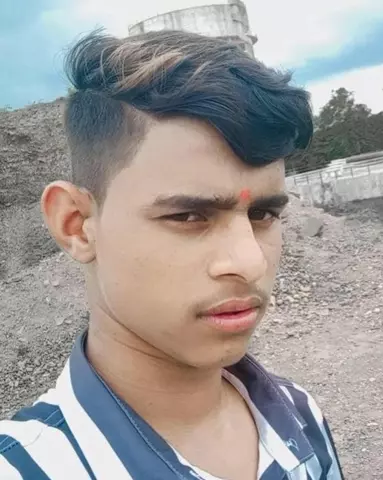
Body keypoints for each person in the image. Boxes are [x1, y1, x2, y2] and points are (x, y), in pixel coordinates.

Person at [0, 28, 344, 480]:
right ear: (77, 225)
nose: (250, 263)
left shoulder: (301, 417)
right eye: (188, 216)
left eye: (263, 213)